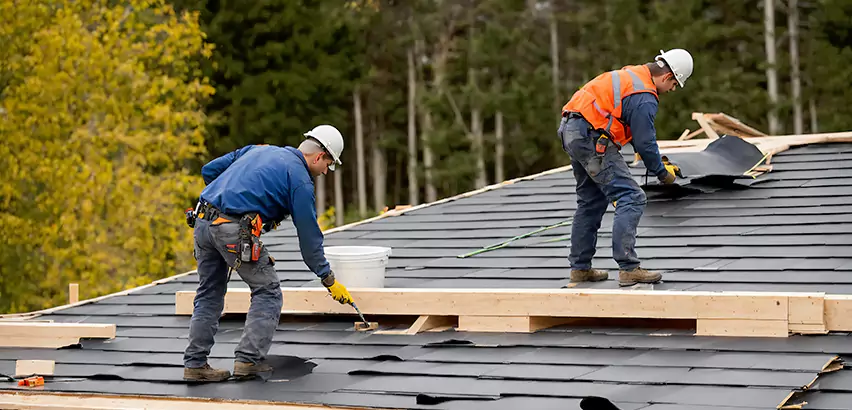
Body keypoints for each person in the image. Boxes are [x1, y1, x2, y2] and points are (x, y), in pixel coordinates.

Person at [182, 124, 354, 382]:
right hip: (230, 232)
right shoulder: (299, 180)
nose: (325, 173)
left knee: (209, 293)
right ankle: (248, 361)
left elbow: (210, 171)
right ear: (319, 156)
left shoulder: (258, 150)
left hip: (203, 222)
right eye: (328, 166)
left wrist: (238, 198)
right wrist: (328, 278)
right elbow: (309, 236)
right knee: (268, 291)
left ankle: (195, 365)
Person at [557, 49, 693, 287]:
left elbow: (624, 123)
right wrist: (662, 173)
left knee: (590, 201)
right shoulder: (644, 95)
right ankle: (629, 268)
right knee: (631, 196)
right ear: (667, 76)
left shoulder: (632, 74)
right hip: (590, 136)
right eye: (674, 85)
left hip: (573, 130)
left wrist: (655, 158)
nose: (672, 90)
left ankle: (580, 268)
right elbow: (645, 141)